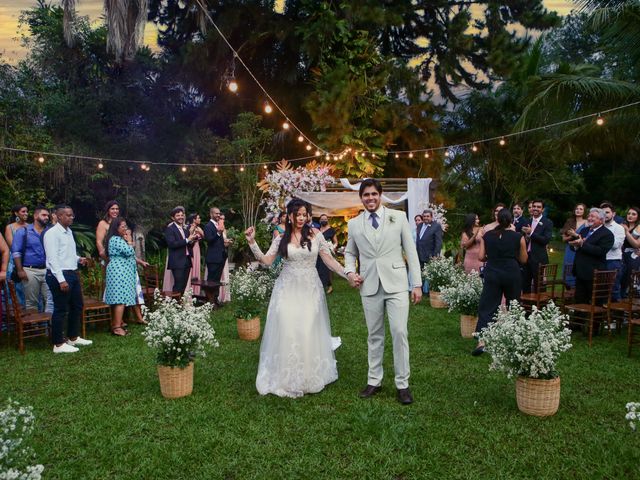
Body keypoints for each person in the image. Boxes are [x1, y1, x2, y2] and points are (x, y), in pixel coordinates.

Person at [245, 198, 347, 398]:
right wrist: (252, 243)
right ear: (290, 216)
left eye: (304, 214)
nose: (301, 218)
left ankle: (308, 376)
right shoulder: (281, 238)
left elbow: (329, 260)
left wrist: (348, 274)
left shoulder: (316, 235)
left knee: (307, 328)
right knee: (288, 327)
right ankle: (286, 376)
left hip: (310, 289)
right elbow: (266, 261)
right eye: (297, 214)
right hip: (287, 289)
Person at [344, 179, 422, 405]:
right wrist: (350, 272)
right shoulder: (354, 224)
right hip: (369, 285)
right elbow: (350, 253)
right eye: (366, 195)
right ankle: (374, 380)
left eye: (373, 194)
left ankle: (402, 384)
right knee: (374, 334)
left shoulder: (398, 218)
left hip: (397, 284)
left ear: (380, 195)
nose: (370, 198)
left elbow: (411, 251)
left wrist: (415, 283)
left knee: (399, 332)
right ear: (361, 197)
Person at [472, 209, 528, 356]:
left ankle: (482, 341)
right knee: (513, 305)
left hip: (493, 273)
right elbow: (524, 259)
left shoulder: (487, 235)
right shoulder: (518, 237)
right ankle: (516, 341)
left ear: (498, 220)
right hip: (512, 273)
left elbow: (481, 257)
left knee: (487, 306)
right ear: (511, 221)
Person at [43, 205, 92, 353]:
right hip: (59, 274)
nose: (71, 218)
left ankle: (73, 337)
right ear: (58, 216)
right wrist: (61, 279)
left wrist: (78, 259)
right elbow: (52, 258)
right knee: (60, 309)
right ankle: (58, 344)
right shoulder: (52, 233)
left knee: (77, 306)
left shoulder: (69, 232)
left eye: (72, 215)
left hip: (72, 272)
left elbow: (66, 254)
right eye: (68, 215)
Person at [569, 208, 614, 307]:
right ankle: (577, 322)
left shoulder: (607, 234)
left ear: (601, 220)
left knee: (596, 304)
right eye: (589, 216)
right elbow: (574, 246)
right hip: (580, 272)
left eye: (593, 217)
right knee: (579, 301)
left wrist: (582, 244)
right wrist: (575, 245)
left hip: (594, 274)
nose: (589, 218)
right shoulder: (584, 230)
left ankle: (594, 323)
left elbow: (600, 251)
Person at [11, 206, 50, 312]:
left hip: (48, 270)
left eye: (47, 215)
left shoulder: (49, 232)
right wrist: (20, 270)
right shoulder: (23, 231)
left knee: (50, 300)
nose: (47, 217)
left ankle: (49, 328)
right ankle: (35, 327)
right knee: (31, 302)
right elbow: (16, 252)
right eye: (44, 215)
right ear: (36, 216)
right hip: (30, 270)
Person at [521, 199, 553, 293]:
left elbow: (545, 240)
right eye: (534, 206)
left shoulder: (547, 223)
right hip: (526, 257)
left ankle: (540, 307)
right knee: (525, 284)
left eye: (538, 207)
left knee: (539, 285)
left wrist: (531, 233)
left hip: (539, 258)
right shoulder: (527, 221)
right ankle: (526, 306)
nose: (535, 208)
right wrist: (526, 237)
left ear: (542, 209)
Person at [164, 207, 197, 295]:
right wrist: (187, 240)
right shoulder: (170, 229)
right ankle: (175, 306)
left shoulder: (185, 229)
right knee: (178, 286)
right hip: (177, 261)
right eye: (178, 215)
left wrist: (192, 240)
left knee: (183, 286)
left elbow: (188, 245)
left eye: (182, 215)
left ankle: (180, 306)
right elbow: (172, 244)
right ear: (173, 218)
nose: (180, 217)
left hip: (187, 260)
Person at [203, 206, 230, 304]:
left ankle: (215, 299)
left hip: (221, 257)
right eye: (216, 213)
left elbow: (219, 242)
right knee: (211, 281)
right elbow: (209, 240)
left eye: (219, 213)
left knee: (217, 281)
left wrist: (225, 243)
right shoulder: (208, 226)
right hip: (213, 258)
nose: (218, 215)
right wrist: (218, 232)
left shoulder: (219, 225)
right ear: (211, 214)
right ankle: (209, 301)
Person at [5, 204, 29, 306]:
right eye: (23, 211)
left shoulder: (30, 227)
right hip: (14, 261)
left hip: (28, 260)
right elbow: (12, 246)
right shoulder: (10, 227)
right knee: (14, 289)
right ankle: (16, 317)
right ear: (16, 213)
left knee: (27, 290)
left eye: (27, 211)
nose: (26, 213)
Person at [600, 202, 625, 301]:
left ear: (613, 214)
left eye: (607, 212)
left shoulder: (619, 228)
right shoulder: (598, 227)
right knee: (600, 290)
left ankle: (616, 314)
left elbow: (616, 245)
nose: (605, 214)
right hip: (600, 260)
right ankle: (602, 314)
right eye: (602, 212)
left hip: (613, 261)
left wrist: (601, 240)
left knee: (613, 289)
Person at [560, 203, 588, 288]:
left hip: (580, 249)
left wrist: (575, 234)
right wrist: (571, 236)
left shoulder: (586, 222)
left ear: (584, 211)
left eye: (580, 209)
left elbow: (586, 237)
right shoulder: (570, 221)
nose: (578, 210)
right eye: (577, 209)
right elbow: (563, 239)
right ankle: (568, 288)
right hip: (569, 249)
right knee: (568, 268)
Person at [416, 209, 443, 293]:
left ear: (431, 217)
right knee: (420, 273)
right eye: (424, 216)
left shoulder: (436, 226)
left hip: (430, 255)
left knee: (429, 275)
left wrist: (435, 255)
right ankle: (421, 290)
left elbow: (438, 242)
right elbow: (419, 240)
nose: (426, 218)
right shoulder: (420, 225)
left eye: (428, 216)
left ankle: (429, 291)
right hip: (419, 254)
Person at [316, 214, 338, 294]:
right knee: (317, 268)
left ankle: (329, 286)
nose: (324, 220)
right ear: (319, 220)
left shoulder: (331, 230)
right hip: (317, 252)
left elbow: (336, 242)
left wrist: (332, 247)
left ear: (327, 220)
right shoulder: (317, 230)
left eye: (325, 219)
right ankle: (320, 286)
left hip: (327, 252)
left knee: (326, 269)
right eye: (322, 219)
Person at [621, 207, 640, 298]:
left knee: (629, 278)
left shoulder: (639, 227)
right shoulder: (622, 225)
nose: (630, 216)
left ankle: (628, 299)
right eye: (629, 213)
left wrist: (626, 232)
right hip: (621, 255)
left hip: (633, 256)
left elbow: (636, 245)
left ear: (638, 216)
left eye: (633, 214)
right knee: (620, 277)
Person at [187, 213, 205, 296]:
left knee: (197, 266)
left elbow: (203, 237)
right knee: (192, 266)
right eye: (198, 218)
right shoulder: (189, 227)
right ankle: (190, 290)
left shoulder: (199, 228)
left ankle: (196, 291)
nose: (200, 219)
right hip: (192, 249)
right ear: (194, 220)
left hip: (197, 248)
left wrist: (201, 233)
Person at [217, 213, 231, 304]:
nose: (223, 220)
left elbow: (224, 243)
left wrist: (227, 242)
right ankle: (217, 295)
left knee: (224, 273)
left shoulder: (224, 230)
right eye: (221, 218)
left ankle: (224, 295)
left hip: (223, 254)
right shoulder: (216, 229)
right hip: (216, 255)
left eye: (224, 219)